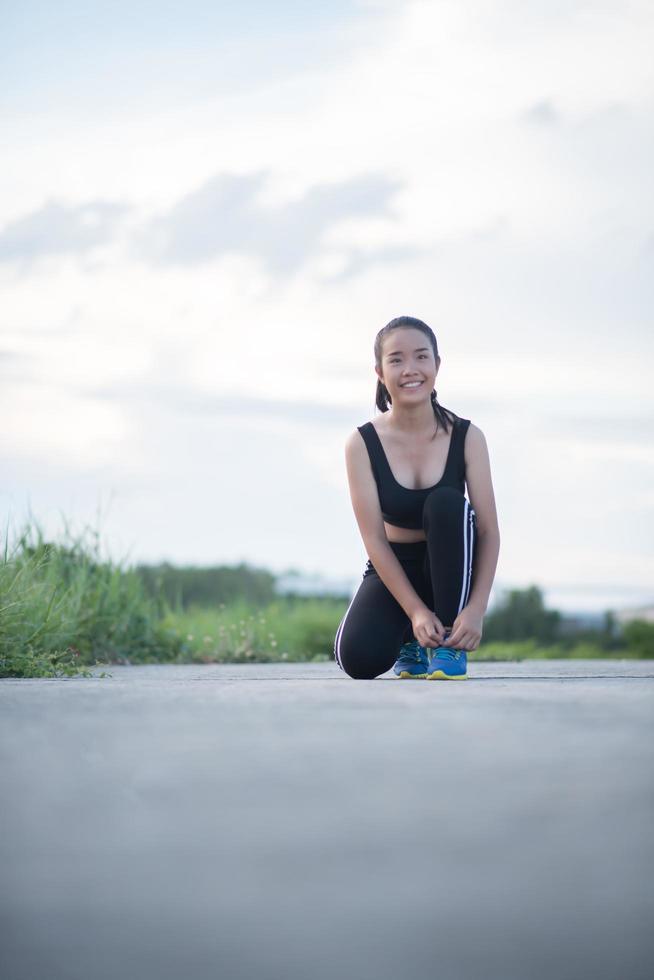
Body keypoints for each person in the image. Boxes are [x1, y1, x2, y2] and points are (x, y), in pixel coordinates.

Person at [333, 316, 500, 680]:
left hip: (453, 565)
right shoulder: (361, 443)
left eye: (422, 357)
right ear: (379, 371)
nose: (411, 369)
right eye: (396, 360)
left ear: (437, 365)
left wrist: (475, 609)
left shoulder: (468, 437)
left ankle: (448, 646)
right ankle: (411, 639)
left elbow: (487, 532)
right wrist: (414, 612)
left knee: (446, 504)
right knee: (357, 660)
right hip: (395, 565)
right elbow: (374, 539)